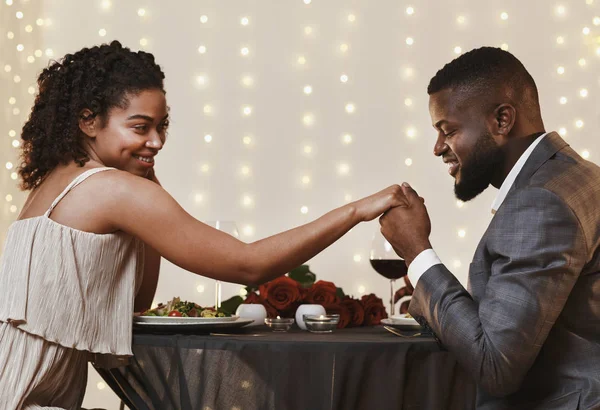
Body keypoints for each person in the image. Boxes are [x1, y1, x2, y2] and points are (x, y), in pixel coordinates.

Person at [0, 40, 406, 409]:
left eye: (162, 127)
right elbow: (248, 265)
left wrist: (148, 193)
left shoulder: (55, 184)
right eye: (140, 127)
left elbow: (137, 302)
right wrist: (357, 211)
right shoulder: (111, 189)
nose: (157, 141)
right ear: (88, 122)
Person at [380, 47, 600, 409]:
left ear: (501, 121)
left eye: (447, 129)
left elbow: (496, 365)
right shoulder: (575, 175)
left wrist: (417, 253)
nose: (437, 148)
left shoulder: (540, 202)